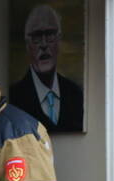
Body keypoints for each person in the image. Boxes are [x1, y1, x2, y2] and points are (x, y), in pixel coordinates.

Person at [8, 3, 84, 134]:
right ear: (27, 45)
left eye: (50, 34)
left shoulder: (75, 94)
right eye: (36, 36)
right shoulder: (14, 98)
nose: (43, 44)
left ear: (59, 40)